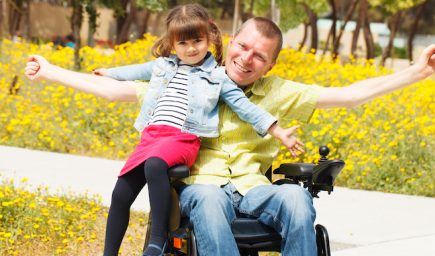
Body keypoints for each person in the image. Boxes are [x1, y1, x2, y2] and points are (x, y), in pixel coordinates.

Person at [26, 16, 435, 256]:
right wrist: (50, 70)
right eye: (241, 46)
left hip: (255, 188)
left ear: (271, 63)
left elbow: (352, 95)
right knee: (207, 198)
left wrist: (419, 71)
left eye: (259, 55)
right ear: (228, 42)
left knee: (296, 197)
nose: (246, 58)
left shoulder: (282, 93)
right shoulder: (189, 77)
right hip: (202, 188)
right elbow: (115, 88)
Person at [24, 5, 303, 256]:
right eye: (183, 43)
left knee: (156, 166)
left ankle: (157, 240)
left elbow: (245, 106)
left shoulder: (217, 77)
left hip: (182, 138)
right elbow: (133, 72)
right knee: (120, 193)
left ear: (210, 40)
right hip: (152, 136)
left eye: (198, 41)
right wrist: (109, 72)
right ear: (172, 44)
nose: (191, 49)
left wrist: (276, 130)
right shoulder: (163, 67)